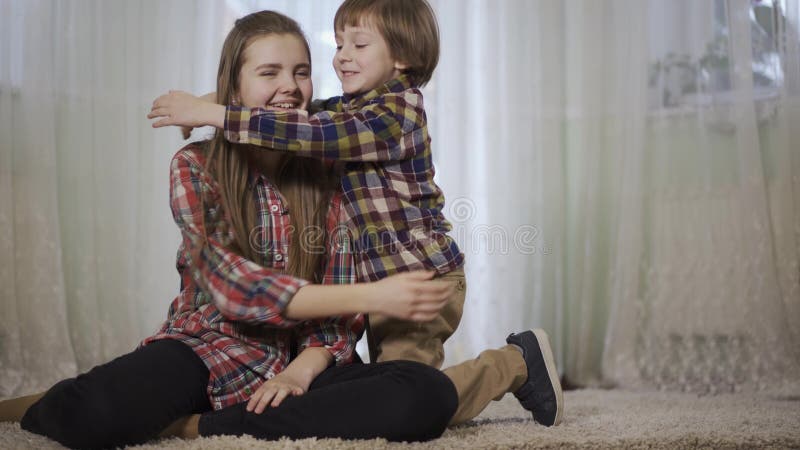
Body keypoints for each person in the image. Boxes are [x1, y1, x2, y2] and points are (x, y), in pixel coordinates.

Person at [0, 11, 459, 449]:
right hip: (210, 349)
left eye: (301, 72)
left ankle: (207, 427)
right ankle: (38, 407)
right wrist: (373, 296)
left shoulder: (330, 166)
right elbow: (234, 287)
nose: (290, 87)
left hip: (303, 362)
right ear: (234, 90)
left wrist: (300, 373)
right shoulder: (195, 165)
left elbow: (335, 320)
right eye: (269, 73)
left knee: (424, 393)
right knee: (96, 413)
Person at [148, 0, 562, 427]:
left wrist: (215, 114)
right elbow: (290, 109)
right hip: (379, 282)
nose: (342, 54)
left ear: (402, 58)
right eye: (340, 42)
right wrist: (212, 97)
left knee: (409, 399)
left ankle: (515, 364)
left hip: (417, 276)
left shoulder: (396, 113)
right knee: (382, 387)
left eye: (359, 44)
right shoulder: (351, 107)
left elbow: (310, 131)